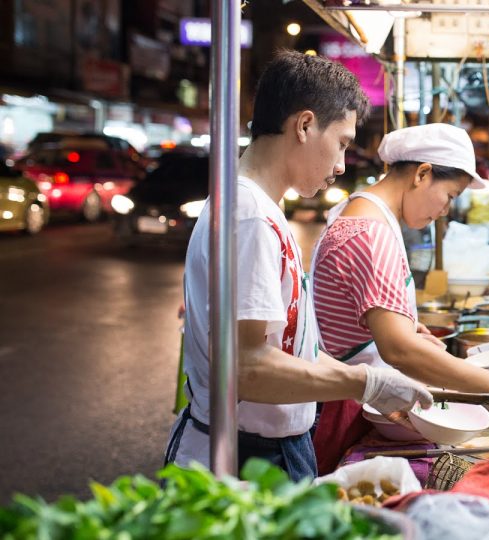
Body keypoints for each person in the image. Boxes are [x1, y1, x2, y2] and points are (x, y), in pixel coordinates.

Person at [165, 51, 432, 481]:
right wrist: (364, 383)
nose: (342, 165)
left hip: (269, 448)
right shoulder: (248, 215)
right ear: (305, 125)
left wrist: (362, 379)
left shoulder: (259, 207)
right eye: (342, 143)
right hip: (245, 457)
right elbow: (246, 367)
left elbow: (290, 351)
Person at [310, 123, 489, 474]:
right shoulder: (372, 234)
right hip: (338, 410)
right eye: (450, 196)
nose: (446, 210)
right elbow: (400, 351)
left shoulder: (358, 210)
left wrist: (403, 324)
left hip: (345, 398)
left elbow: (361, 318)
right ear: (422, 174)